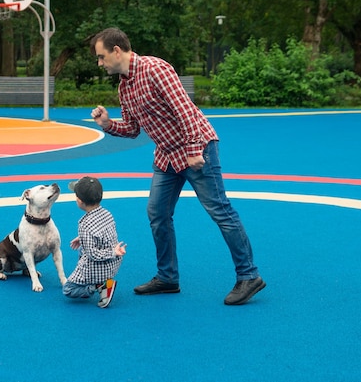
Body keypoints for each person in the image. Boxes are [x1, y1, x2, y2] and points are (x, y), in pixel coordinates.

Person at [88, 27, 265, 305]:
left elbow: (184, 109)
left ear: (117, 51)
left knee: (220, 210)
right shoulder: (125, 85)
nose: (100, 63)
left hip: (196, 149)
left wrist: (194, 150)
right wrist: (108, 125)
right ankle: (167, 277)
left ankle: (249, 276)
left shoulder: (155, 69)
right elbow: (134, 129)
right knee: (157, 212)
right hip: (167, 155)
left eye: (101, 57)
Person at [63, 176, 127, 308]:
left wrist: (111, 252)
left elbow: (93, 255)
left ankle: (97, 286)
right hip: (114, 262)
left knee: (67, 290)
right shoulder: (107, 213)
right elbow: (102, 235)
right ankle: (98, 282)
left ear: (80, 201)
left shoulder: (84, 224)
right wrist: (82, 238)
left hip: (99, 266)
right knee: (82, 249)